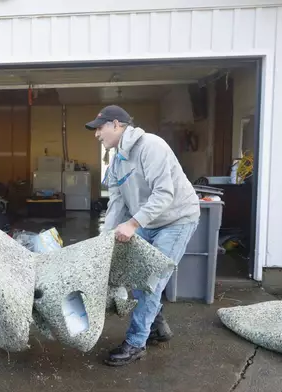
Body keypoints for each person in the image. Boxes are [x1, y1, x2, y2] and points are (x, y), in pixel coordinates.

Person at [85, 105, 200, 366]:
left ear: (116, 125)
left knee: (150, 281)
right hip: (147, 220)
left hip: (176, 219)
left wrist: (133, 224)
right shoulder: (116, 162)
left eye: (100, 128)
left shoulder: (151, 146)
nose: (97, 134)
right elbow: (116, 203)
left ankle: (136, 343)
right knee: (140, 278)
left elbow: (164, 194)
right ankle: (157, 328)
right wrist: (104, 240)